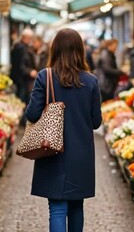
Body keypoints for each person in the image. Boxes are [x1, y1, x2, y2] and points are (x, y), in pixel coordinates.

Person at [25, 28, 102, 232]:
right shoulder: (91, 81)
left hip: (52, 150)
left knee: (57, 208)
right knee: (77, 205)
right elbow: (96, 122)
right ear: (80, 50)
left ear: (55, 49)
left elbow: (32, 114)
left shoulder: (45, 77)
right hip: (81, 153)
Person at [10, 28, 37, 104]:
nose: (31, 41)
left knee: (19, 101)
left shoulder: (17, 46)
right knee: (22, 103)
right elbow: (21, 66)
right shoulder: (22, 49)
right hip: (22, 80)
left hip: (17, 79)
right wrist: (30, 72)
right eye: (30, 38)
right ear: (26, 38)